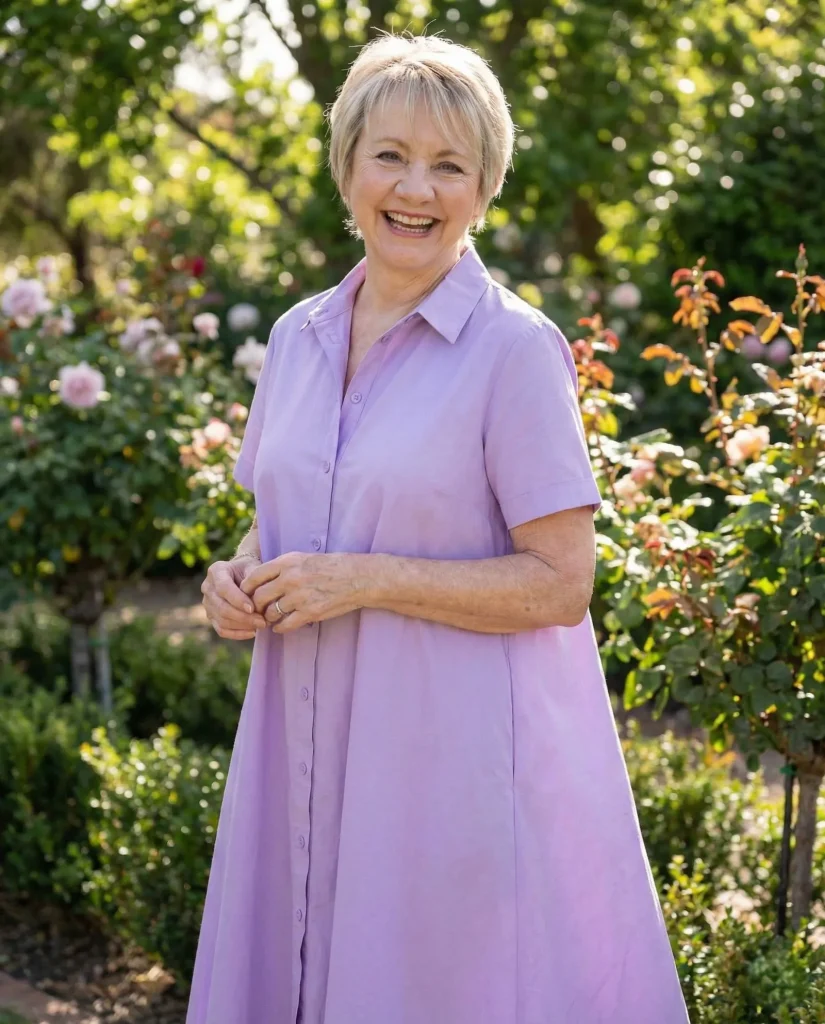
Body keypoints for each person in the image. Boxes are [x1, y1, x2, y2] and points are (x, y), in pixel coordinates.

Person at [189, 32, 689, 1024]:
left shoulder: (514, 350)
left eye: (449, 165)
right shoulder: (296, 337)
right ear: (347, 170)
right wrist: (234, 579)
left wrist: (364, 578)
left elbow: (560, 581)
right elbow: (276, 523)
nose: (414, 187)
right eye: (390, 155)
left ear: (484, 188)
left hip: (444, 768)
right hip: (298, 746)